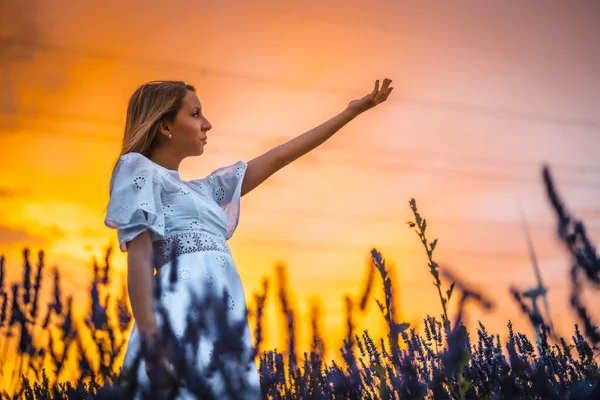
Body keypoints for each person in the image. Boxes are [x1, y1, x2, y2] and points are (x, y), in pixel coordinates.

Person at [104, 78, 393, 399]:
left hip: (224, 325)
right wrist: (152, 344)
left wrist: (350, 113)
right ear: (165, 126)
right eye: (195, 114)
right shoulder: (138, 168)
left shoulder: (205, 191)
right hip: (178, 321)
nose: (207, 124)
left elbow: (279, 157)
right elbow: (140, 258)